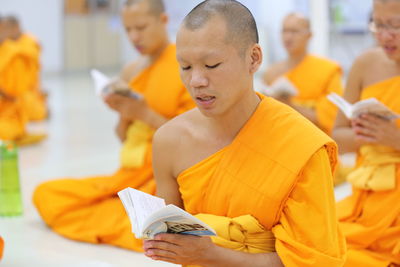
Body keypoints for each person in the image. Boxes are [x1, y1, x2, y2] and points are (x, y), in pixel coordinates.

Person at [144, 1, 346, 266]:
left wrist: (212, 254)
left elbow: (312, 261)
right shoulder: (169, 141)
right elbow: (173, 243)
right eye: (185, 67)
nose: (196, 81)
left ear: (253, 58)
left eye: (212, 65)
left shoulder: (302, 145)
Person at [33, 0, 194, 251]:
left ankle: (143, 225)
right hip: (129, 175)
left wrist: (145, 114)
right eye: (127, 29)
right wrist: (123, 112)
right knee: (46, 194)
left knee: (156, 217)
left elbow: (194, 141)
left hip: (164, 178)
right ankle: (138, 225)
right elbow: (123, 137)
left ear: (163, 21)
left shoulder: (185, 67)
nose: (133, 36)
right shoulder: (132, 70)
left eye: (140, 27)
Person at [333, 0, 400, 266]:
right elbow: (338, 134)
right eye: (379, 25)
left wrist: (394, 139)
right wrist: (368, 135)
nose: (385, 35)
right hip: (367, 196)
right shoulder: (365, 64)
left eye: (395, 26)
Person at [263, 13, 343, 135]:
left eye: (294, 31)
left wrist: (289, 105)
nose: (288, 37)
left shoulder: (327, 70)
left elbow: (330, 118)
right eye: (284, 31)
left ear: (309, 35)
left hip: (315, 140)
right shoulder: (271, 73)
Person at [4, 15, 47, 121]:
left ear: (16, 27)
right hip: (7, 93)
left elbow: (33, 55)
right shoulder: (7, 44)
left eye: (6, 28)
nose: (4, 31)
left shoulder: (29, 41)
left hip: (27, 91)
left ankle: (42, 101)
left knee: (31, 113)